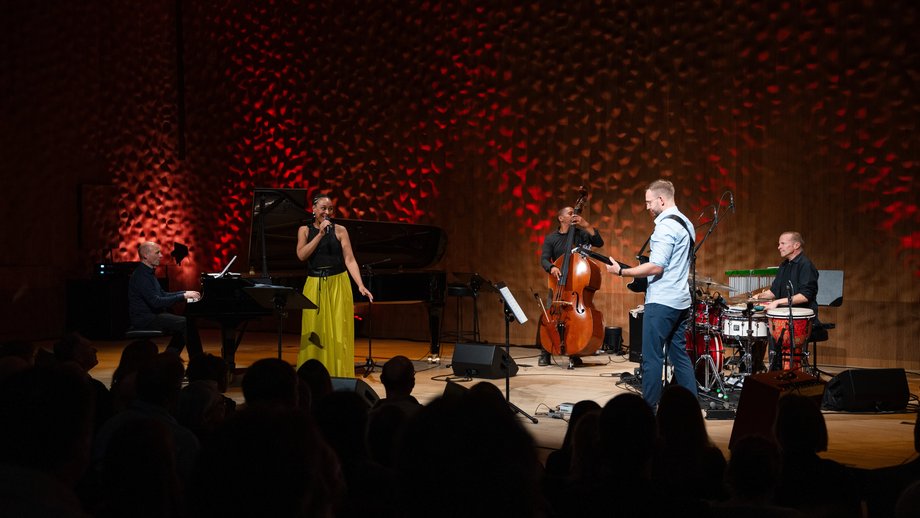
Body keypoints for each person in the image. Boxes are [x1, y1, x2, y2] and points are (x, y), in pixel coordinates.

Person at [606, 179, 697, 409]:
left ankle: (648, 411)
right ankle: (691, 409)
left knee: (651, 358)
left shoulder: (665, 226)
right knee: (679, 356)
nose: (647, 207)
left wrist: (622, 272)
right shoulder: (687, 222)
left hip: (663, 302)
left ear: (661, 199)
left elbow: (657, 266)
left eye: (649, 203)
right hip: (681, 301)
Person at [296, 193, 373, 377]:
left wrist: (360, 285)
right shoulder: (304, 230)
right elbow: (301, 255)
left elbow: (349, 259)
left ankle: (338, 374)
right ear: (314, 210)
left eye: (330, 209)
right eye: (323, 208)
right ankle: (312, 376)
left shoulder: (340, 230)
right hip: (315, 284)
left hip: (338, 282)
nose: (327, 212)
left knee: (340, 330)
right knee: (314, 330)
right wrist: (320, 235)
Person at [538, 206, 604, 366]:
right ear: (561, 218)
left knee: (575, 319)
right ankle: (545, 352)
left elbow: (599, 242)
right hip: (559, 285)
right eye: (570, 213)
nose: (574, 215)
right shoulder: (551, 238)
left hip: (576, 284)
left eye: (575, 212)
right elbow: (544, 259)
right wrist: (552, 267)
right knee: (547, 316)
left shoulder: (581, 234)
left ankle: (574, 352)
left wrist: (586, 224)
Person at [752, 231, 824, 369]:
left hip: (801, 320)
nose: (779, 247)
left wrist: (778, 302)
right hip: (782, 318)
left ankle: (787, 373)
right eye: (779, 244)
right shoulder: (784, 265)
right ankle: (770, 370)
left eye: (783, 243)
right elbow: (774, 291)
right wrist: (758, 297)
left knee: (784, 348)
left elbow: (805, 296)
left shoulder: (806, 265)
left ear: (796, 245)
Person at [127, 241, 203, 358]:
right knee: (186, 323)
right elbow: (156, 302)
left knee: (185, 323)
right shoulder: (141, 276)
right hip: (145, 318)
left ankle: (170, 357)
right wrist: (183, 296)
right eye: (157, 253)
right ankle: (198, 363)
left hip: (152, 315)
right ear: (146, 255)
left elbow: (162, 294)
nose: (161, 256)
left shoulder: (148, 273)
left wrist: (185, 293)